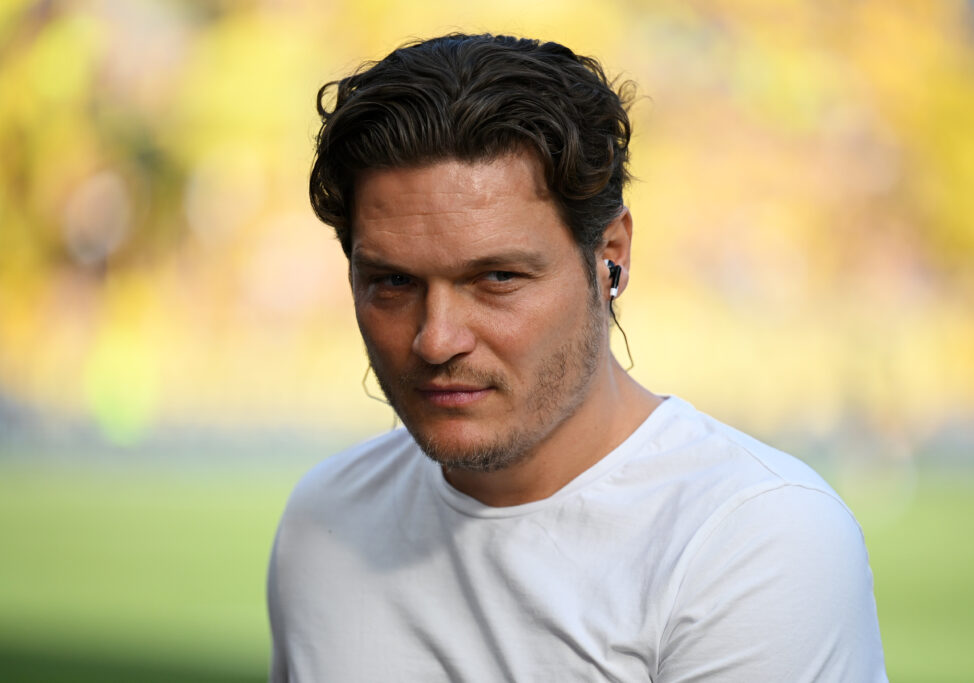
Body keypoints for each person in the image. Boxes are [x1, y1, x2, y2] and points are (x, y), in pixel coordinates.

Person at [267, 33, 887, 682]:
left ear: (610, 252)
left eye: (497, 277)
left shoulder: (751, 540)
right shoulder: (326, 522)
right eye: (393, 282)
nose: (436, 338)